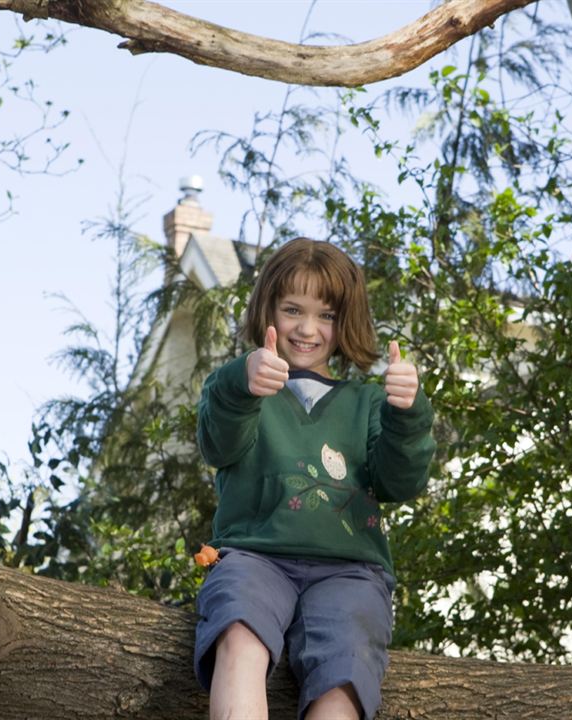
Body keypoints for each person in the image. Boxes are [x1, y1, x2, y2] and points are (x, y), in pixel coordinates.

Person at [193, 237, 436, 720]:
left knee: (343, 669)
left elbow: (398, 482)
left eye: (325, 315)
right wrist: (242, 383)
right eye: (292, 310)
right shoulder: (243, 387)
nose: (307, 329)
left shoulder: (367, 403)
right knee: (238, 632)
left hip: (350, 569)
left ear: (345, 323)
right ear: (268, 309)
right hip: (254, 557)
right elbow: (218, 446)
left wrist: (407, 414)